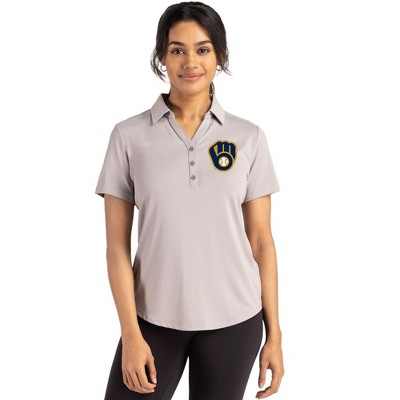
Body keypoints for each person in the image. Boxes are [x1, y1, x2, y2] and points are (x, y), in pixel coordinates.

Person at [95, 2, 284, 399]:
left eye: (203, 49)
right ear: (161, 57)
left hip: (235, 321)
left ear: (220, 56)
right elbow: (116, 247)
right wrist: (130, 334)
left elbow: (261, 241)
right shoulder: (128, 137)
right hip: (153, 320)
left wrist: (275, 335)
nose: (190, 61)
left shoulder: (249, 138)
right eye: (177, 49)